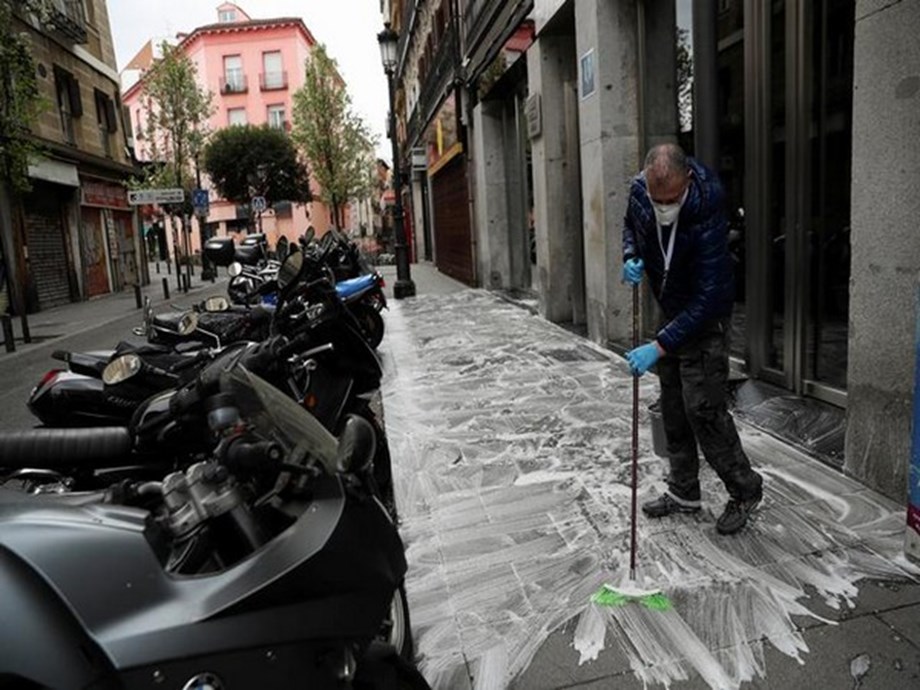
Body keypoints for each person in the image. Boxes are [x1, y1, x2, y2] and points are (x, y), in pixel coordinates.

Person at [622, 143, 763, 535]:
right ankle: (684, 491)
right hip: (671, 307)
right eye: (658, 200)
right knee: (673, 406)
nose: (664, 207)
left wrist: (658, 346)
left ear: (686, 181)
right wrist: (630, 255)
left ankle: (745, 490)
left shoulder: (707, 210)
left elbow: (709, 299)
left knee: (703, 409)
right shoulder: (640, 192)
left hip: (706, 317)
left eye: (672, 200)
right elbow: (631, 225)